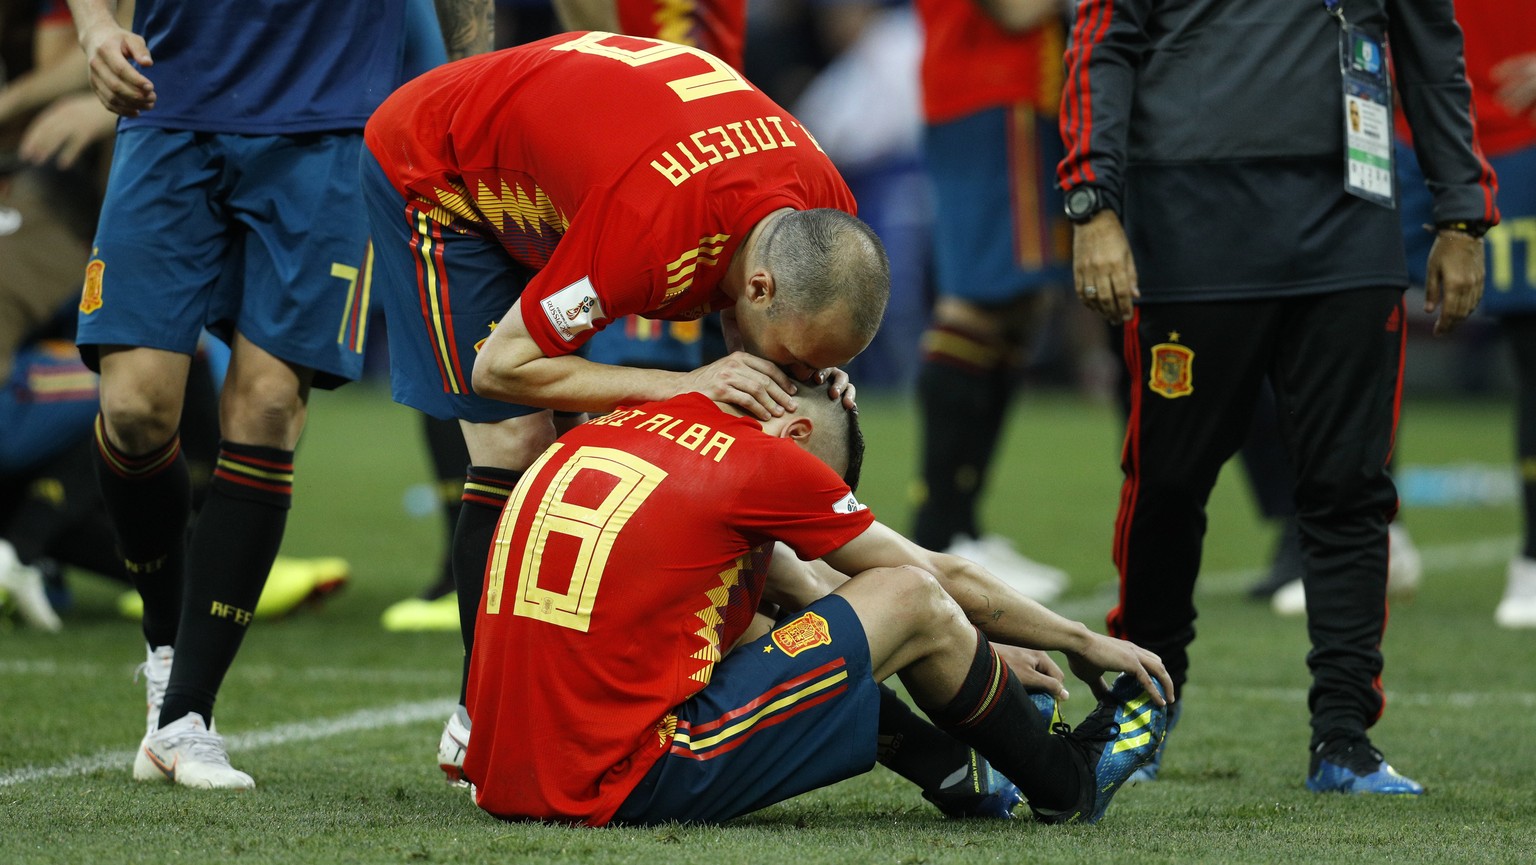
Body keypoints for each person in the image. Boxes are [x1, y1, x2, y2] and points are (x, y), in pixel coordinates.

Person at [361, 30, 891, 783]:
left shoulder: (824, 219)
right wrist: (679, 383)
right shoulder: (646, 230)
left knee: (581, 433)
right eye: (799, 358)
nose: (795, 376)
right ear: (762, 286)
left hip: (577, 161)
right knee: (516, 439)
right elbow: (501, 365)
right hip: (440, 171)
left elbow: (795, 315)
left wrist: (822, 375)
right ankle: (482, 719)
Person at [1061, 0, 1494, 793]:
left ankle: (1344, 737)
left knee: (1350, 488)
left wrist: (1462, 212)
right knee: (1168, 482)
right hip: (1190, 225)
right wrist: (1092, 200)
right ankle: (1144, 705)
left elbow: (1433, 47)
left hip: (1349, 222)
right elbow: (1101, 42)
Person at [63, 0, 493, 789]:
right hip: (170, 100)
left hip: (330, 123)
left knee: (266, 405)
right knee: (133, 408)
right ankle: (166, 647)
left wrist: (465, 87)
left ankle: (185, 713)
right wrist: (94, 26)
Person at [465, 384, 1173, 825]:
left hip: (505, 772)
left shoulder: (630, 424)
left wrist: (969, 651)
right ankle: (1068, 782)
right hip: (611, 781)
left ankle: (951, 768)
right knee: (911, 592)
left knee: (767, 621)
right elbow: (928, 579)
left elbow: (816, 597)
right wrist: (1082, 638)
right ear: (797, 438)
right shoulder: (762, 463)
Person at [906, 0, 1072, 601]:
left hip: (1006, 97)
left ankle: (962, 523)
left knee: (1014, 308)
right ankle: (942, 532)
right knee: (978, 303)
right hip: (992, 95)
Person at [1391, 2, 1536, 628]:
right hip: (1393, 127)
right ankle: (1370, 540)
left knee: (1532, 344)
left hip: (1522, 125)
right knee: (1349, 326)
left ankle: (1533, 559)